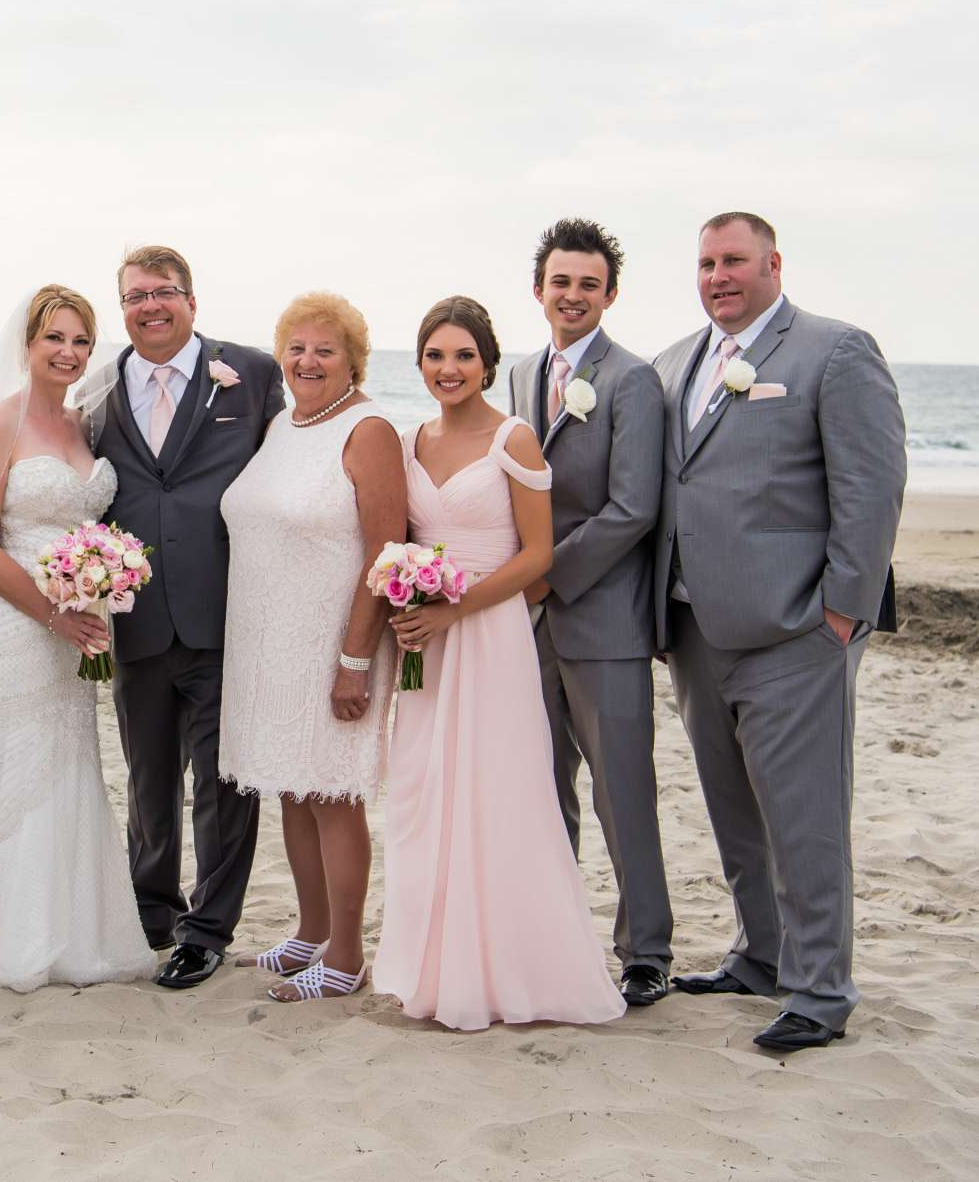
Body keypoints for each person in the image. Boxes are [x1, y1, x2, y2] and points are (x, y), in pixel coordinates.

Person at [650, 212, 907, 1053]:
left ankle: (821, 989)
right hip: (694, 628)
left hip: (798, 630)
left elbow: (871, 488)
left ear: (773, 264)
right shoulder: (673, 364)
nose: (718, 275)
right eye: (705, 263)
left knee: (805, 817)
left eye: (734, 261)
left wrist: (841, 613)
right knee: (734, 812)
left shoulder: (833, 351)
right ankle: (760, 955)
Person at [0, 285, 156, 990]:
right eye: (55, 340)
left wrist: (100, 588)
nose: (68, 353)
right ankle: (9, 930)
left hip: (79, 621)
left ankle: (74, 926)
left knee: (72, 758)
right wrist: (53, 611)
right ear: (29, 345)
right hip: (17, 620)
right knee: (19, 759)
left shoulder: (84, 428)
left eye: (80, 341)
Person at [376, 297, 624, 1032]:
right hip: (426, 642)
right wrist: (404, 600)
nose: (447, 370)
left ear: (487, 361)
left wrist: (457, 607)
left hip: (489, 637)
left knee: (496, 794)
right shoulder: (407, 440)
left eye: (462, 356)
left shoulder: (514, 440)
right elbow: (399, 538)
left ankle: (512, 968)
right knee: (426, 793)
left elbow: (539, 555)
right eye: (433, 356)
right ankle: (435, 965)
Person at [82, 244, 282, 989]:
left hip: (227, 611)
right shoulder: (99, 390)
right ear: (122, 307)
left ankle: (209, 927)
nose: (151, 307)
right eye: (136, 297)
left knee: (225, 783)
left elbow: (285, 473)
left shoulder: (252, 372)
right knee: (147, 777)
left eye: (164, 293)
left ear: (192, 302)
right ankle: (153, 906)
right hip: (133, 619)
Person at [219, 292, 406, 1003]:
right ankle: (310, 931)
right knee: (293, 790)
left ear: (353, 360)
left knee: (332, 792)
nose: (307, 361)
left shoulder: (369, 430)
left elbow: (386, 553)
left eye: (325, 350)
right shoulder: (283, 425)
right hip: (272, 645)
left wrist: (355, 659)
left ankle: (349, 954)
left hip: (334, 645)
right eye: (296, 348)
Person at [507, 218, 672, 1008]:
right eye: (560, 281)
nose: (572, 295)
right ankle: (557, 938)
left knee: (621, 789)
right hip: (523, 624)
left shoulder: (632, 380)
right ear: (538, 289)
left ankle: (646, 948)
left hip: (600, 615)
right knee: (541, 787)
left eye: (587, 283)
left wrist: (545, 576)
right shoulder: (515, 374)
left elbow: (633, 507)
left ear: (610, 294)